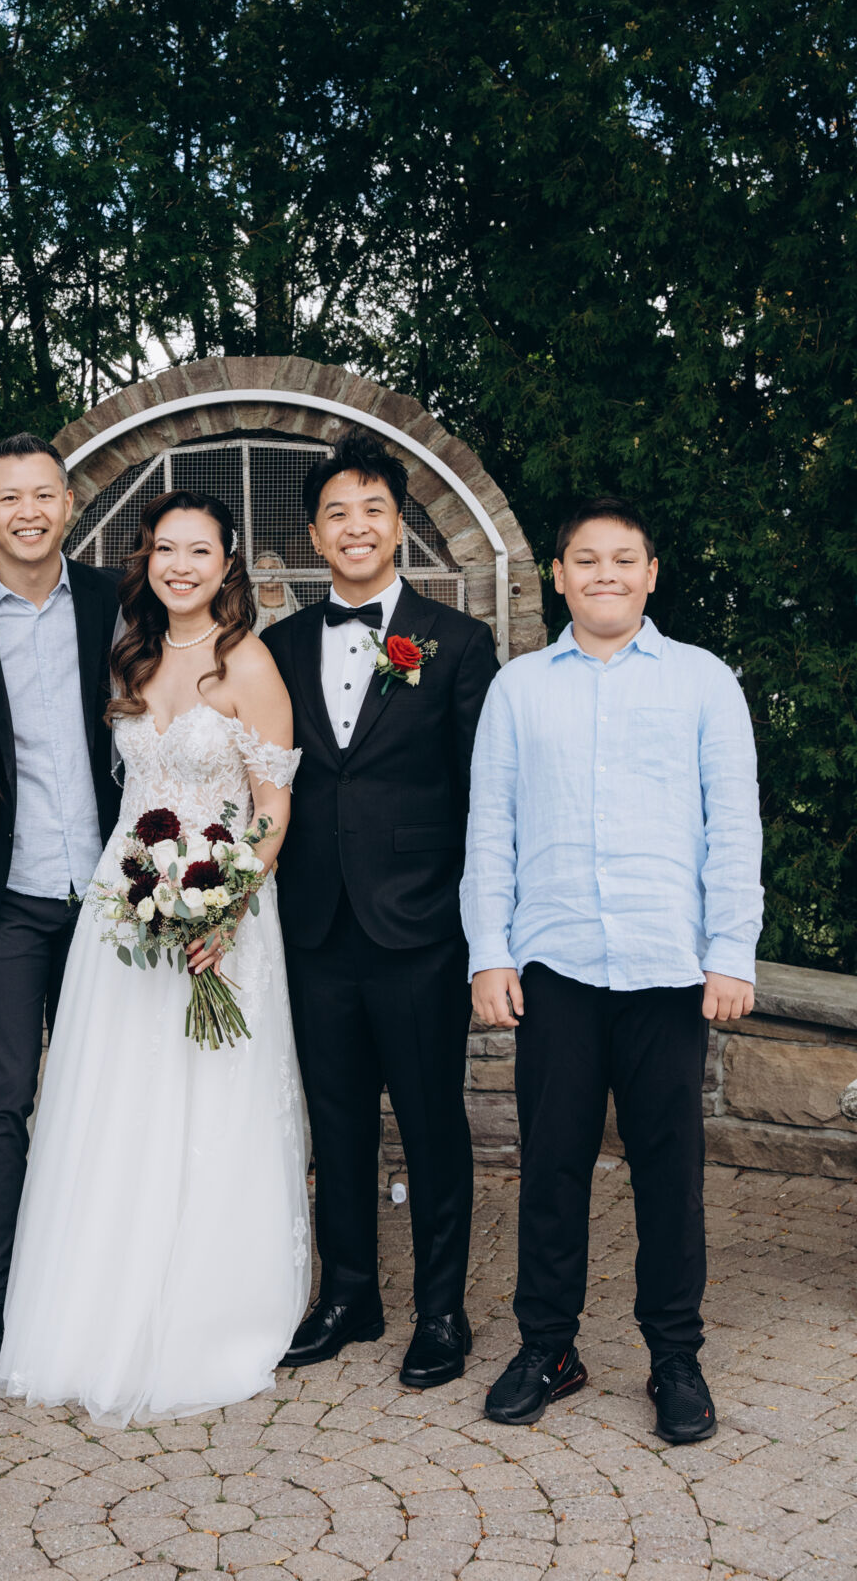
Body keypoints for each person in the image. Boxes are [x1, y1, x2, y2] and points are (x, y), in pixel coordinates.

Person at [0, 489, 307, 1422]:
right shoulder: (129, 652)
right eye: (166, 549)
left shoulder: (249, 663)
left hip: (220, 916)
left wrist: (226, 907)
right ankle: (100, 1291)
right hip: (121, 909)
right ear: (148, 559)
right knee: (116, 1097)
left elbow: (273, 808)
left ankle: (204, 1304)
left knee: (207, 1098)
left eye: (199, 551)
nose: (181, 566)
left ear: (227, 562)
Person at [463, 496, 762, 1444]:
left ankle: (675, 1356)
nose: (605, 575)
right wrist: (489, 952)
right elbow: (491, 829)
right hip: (555, 964)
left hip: (667, 965)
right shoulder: (519, 690)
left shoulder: (704, 682)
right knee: (551, 1167)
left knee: (670, 1173)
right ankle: (549, 1348)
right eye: (586, 560)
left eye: (623, 559)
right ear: (558, 577)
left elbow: (734, 826)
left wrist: (731, 952)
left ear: (651, 573)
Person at [261, 433, 498, 1390]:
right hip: (315, 924)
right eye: (337, 514)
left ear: (399, 527)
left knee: (434, 1122)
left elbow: (483, 795)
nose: (355, 528)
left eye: (372, 511)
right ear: (315, 536)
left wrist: (478, 926)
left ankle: (441, 1310)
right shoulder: (278, 648)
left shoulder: (457, 642)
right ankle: (349, 1294)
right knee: (337, 1120)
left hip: (420, 928)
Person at [0, 433, 122, 1387]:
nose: (28, 512)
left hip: (114, 900)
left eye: (43, 494)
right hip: (2, 896)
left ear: (68, 504)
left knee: (108, 1099)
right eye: (9, 497)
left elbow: (202, 660)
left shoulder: (114, 600)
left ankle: (97, 1293)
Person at [252, 551, 299, 635]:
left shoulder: (295, 607)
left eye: (272, 569)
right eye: (261, 570)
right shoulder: (248, 606)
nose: (267, 574)